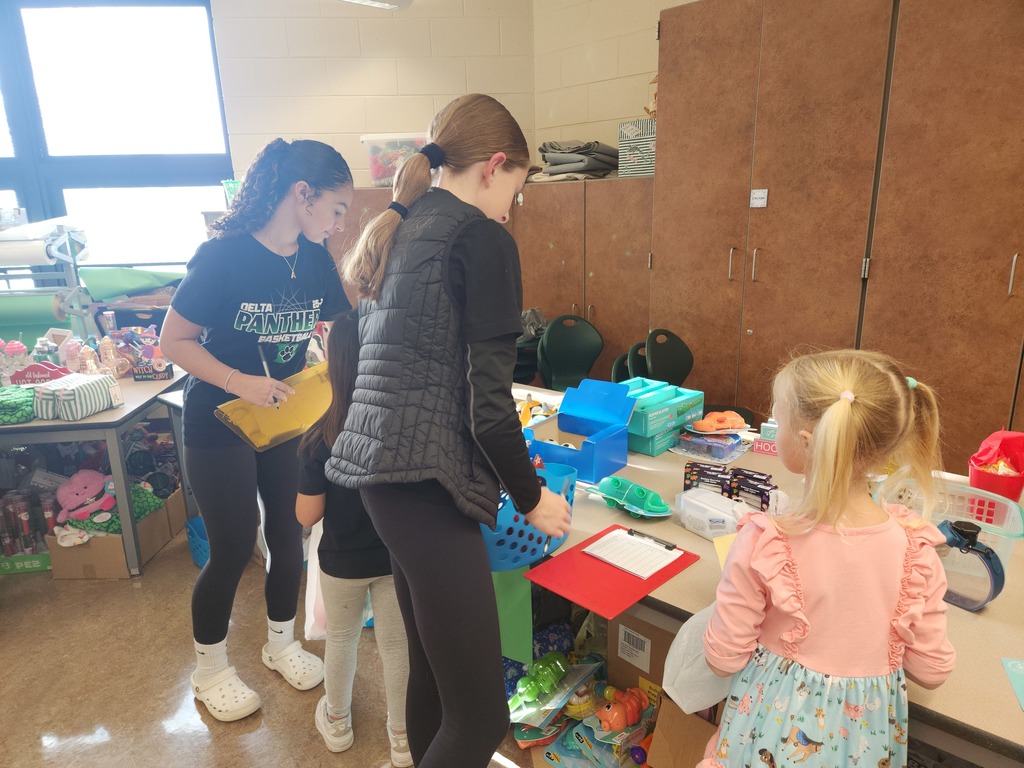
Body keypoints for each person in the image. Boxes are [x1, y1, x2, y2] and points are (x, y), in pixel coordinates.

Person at [325, 93, 573, 767]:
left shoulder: (403, 225)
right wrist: (534, 498)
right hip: (427, 486)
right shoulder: (481, 236)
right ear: (496, 166)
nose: (511, 207)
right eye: (517, 189)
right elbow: (487, 407)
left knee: (435, 678)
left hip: (387, 482)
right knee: (481, 717)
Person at [160, 138, 354, 722]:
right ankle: (210, 669)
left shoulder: (315, 258)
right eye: (338, 210)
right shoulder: (222, 257)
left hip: (286, 418)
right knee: (233, 544)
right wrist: (238, 380)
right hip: (220, 422)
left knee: (291, 533)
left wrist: (339, 365)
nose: (340, 225)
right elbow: (173, 342)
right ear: (303, 195)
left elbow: (343, 326)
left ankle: (281, 643)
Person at [699, 349, 956, 768]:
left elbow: (723, 658)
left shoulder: (763, 542)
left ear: (805, 442)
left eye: (778, 421)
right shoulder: (918, 549)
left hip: (767, 737)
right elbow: (932, 669)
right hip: (862, 746)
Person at [295, 312, 411, 766]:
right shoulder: (401, 431)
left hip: (341, 560)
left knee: (341, 639)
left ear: (331, 362)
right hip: (393, 558)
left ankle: (338, 723)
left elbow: (307, 514)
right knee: (396, 647)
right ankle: (402, 738)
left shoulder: (318, 438)